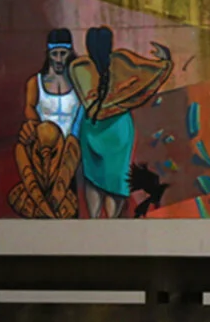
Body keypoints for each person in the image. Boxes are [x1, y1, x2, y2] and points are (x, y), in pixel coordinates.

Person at [69, 25, 174, 219]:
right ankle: (110, 222)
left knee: (95, 178)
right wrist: (165, 60)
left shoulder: (81, 67)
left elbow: (91, 104)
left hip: (95, 127)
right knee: (113, 179)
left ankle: (97, 222)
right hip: (116, 128)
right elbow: (151, 74)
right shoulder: (120, 62)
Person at [5, 29, 86, 219]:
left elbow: (84, 109)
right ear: (48, 54)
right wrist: (36, 127)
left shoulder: (78, 81)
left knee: (69, 203)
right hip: (43, 152)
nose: (59, 59)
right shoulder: (36, 82)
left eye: (63, 53)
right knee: (40, 197)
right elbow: (30, 107)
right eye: (54, 54)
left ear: (70, 53)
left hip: (71, 152)